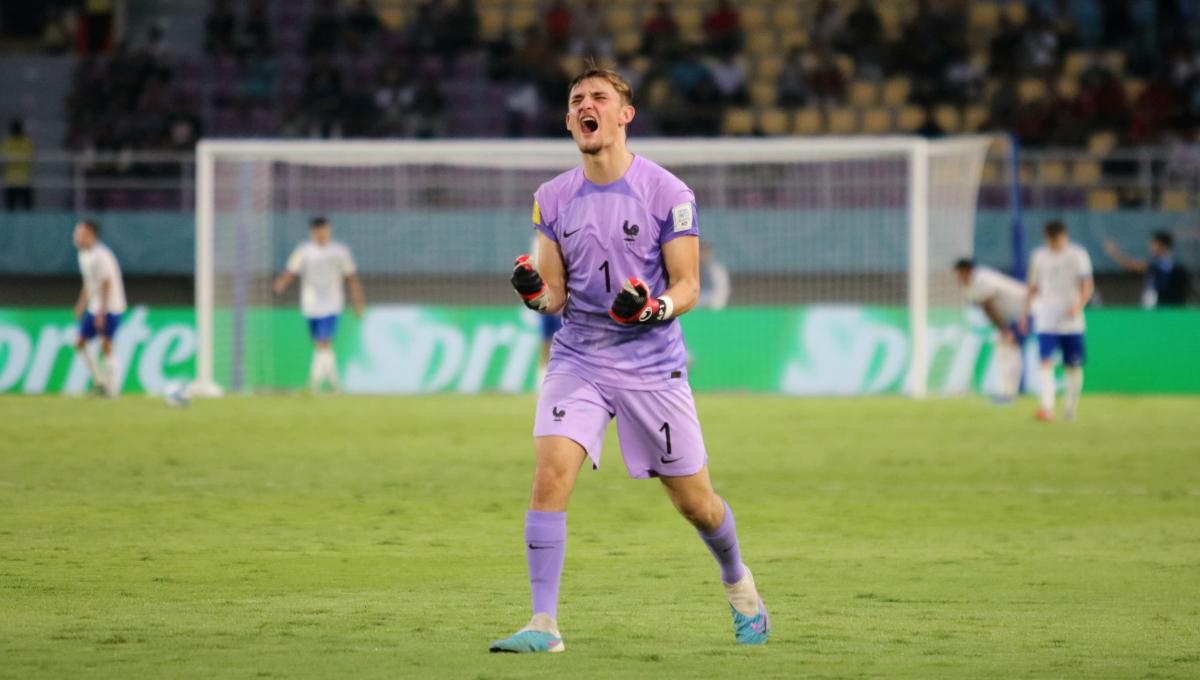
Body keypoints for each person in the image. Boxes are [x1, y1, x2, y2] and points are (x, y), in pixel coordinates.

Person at [491, 62, 769, 655]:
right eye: (575, 100)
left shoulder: (669, 192)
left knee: (694, 502)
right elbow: (555, 294)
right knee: (550, 476)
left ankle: (739, 584)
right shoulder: (551, 198)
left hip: (651, 365)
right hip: (580, 359)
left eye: (598, 96)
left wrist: (651, 308)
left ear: (625, 115)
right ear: (570, 122)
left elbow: (687, 284)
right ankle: (544, 623)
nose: (585, 105)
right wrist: (533, 292)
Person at [273, 217, 365, 392]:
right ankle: (333, 382)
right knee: (320, 344)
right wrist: (282, 283)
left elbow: (351, 277)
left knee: (324, 342)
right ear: (312, 232)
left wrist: (358, 301)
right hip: (310, 304)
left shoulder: (339, 251)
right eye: (317, 230)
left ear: (328, 230)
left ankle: (314, 383)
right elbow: (291, 271)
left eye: (323, 229)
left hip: (331, 304)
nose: (320, 233)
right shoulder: (304, 251)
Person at [1022, 220, 1094, 422]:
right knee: (1046, 362)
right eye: (1051, 240)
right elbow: (1032, 287)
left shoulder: (1077, 255)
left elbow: (1087, 284)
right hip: (1046, 319)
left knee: (1073, 366)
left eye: (1058, 240)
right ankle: (1047, 408)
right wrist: (1025, 314)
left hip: (1072, 322)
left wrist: (1079, 305)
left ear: (1065, 236)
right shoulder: (1039, 256)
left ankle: (1070, 410)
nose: (1055, 244)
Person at [954, 258, 1029, 403]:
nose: (958, 278)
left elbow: (989, 307)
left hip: (1025, 310)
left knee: (1008, 349)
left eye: (960, 274)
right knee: (1007, 350)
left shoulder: (982, 280)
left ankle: (1007, 394)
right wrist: (1004, 329)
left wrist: (1004, 329)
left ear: (968, 271)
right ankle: (1007, 393)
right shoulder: (968, 285)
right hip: (1013, 315)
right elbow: (987, 308)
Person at [73, 220, 126, 397]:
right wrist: (81, 304)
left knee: (106, 344)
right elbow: (89, 282)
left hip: (111, 306)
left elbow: (106, 283)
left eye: (80, 233)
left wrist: (102, 312)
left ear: (91, 235)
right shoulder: (83, 255)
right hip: (95, 306)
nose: (76, 236)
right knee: (80, 342)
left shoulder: (101, 255)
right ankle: (100, 381)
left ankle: (113, 390)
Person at [1103, 231, 1190, 308]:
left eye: (1153, 243)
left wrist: (1113, 251)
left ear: (1162, 246)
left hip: (1159, 306)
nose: (1150, 246)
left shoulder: (1162, 264)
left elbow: (1129, 265)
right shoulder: (1160, 262)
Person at [3, 118, 34, 211]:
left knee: (11, 209)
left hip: (14, 181)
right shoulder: (27, 142)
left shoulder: (7, 143)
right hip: (22, 181)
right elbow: (32, 154)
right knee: (25, 208)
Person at [697, 241, 730, 309]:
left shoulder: (718, 269)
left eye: (706, 252)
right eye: (702, 251)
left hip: (713, 302)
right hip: (697, 302)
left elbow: (722, 291)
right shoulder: (693, 268)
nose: (704, 254)